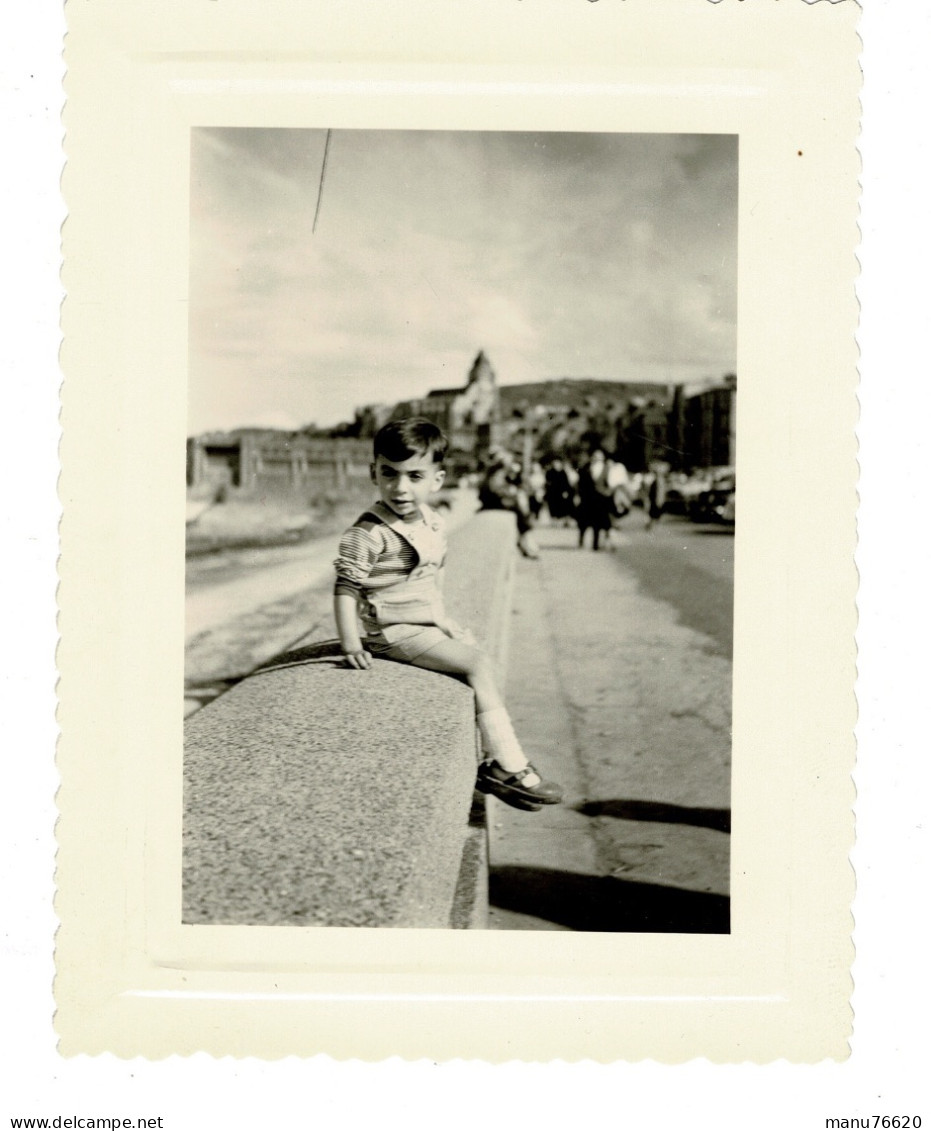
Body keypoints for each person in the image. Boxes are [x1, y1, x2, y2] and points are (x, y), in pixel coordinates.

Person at [333, 418, 563, 812]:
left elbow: (430, 583)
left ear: (436, 480)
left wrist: (443, 623)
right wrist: (352, 643)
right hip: (391, 631)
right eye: (389, 474)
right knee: (476, 664)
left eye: (414, 476)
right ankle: (508, 766)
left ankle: (496, 757)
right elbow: (345, 587)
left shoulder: (430, 521)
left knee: (476, 657)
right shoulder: (369, 532)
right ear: (374, 473)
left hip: (419, 624)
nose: (400, 487)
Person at [575, 448, 615, 550]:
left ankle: (595, 544)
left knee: (597, 523)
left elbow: (610, 483)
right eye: (595, 456)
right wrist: (578, 495)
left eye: (599, 457)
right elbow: (580, 484)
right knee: (583, 522)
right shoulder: (586, 468)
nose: (597, 458)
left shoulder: (607, 468)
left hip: (600, 500)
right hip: (587, 499)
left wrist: (607, 493)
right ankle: (581, 539)